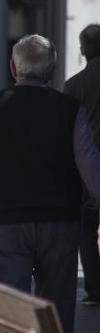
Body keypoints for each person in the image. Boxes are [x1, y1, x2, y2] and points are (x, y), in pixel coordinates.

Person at [0, 34, 100, 333]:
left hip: (7, 219)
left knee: (5, 307)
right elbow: (91, 168)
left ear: (13, 68)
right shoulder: (70, 110)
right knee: (56, 308)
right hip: (60, 221)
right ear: (53, 70)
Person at [64, 24, 100, 305]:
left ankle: (95, 288)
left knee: (86, 230)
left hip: (86, 166)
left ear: (82, 50)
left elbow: (67, 131)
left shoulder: (73, 84)